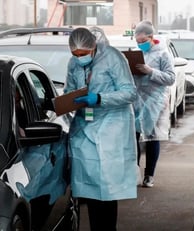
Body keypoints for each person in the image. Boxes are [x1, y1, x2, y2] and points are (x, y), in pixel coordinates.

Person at [64, 27, 138, 231]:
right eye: (75, 54)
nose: (79, 58)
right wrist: (67, 100)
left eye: (83, 54)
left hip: (111, 126)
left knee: (107, 187)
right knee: (89, 185)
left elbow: (130, 92)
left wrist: (99, 98)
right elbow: (69, 89)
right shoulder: (73, 63)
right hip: (85, 125)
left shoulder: (113, 57)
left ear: (93, 46)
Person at [133, 20, 176, 188]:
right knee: (134, 137)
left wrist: (150, 71)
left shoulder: (163, 54)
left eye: (143, 41)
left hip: (155, 101)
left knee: (151, 138)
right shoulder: (137, 53)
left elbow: (170, 78)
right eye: (138, 42)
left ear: (152, 37)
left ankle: (149, 174)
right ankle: (134, 173)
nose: (140, 44)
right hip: (137, 99)